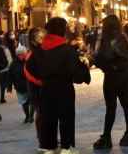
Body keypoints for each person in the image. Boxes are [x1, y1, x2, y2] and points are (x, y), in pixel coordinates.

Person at [25, 17, 90, 154]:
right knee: (66, 118)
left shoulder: (39, 50)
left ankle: (48, 146)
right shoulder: (67, 50)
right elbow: (76, 74)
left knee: (48, 119)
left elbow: (29, 68)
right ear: (62, 30)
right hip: (64, 89)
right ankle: (66, 147)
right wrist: (84, 67)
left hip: (46, 89)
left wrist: (42, 80)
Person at [92, 15, 128, 150]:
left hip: (112, 77)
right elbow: (126, 59)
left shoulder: (107, 40)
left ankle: (107, 137)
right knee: (125, 104)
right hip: (121, 76)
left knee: (111, 107)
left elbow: (100, 58)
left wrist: (105, 65)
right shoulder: (123, 38)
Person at [9, 44, 33, 123]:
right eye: (19, 54)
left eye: (22, 54)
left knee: (32, 101)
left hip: (30, 85)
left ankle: (31, 116)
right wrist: (9, 86)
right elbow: (10, 75)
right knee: (24, 102)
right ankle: (27, 116)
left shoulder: (29, 61)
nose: (21, 56)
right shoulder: (14, 64)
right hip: (19, 86)